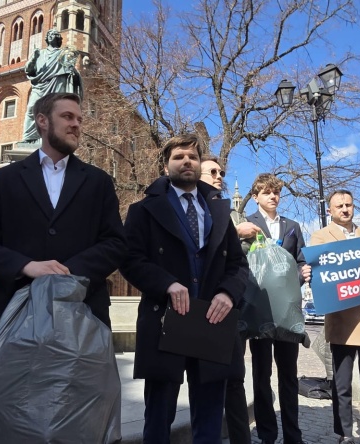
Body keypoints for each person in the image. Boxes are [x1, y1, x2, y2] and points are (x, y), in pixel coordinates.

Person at [121, 133, 247, 443]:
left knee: (209, 416)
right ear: (166, 166)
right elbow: (129, 258)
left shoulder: (219, 211)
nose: (186, 161)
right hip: (166, 320)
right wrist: (166, 284)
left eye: (192, 156)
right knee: (158, 415)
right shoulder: (143, 211)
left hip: (211, 321)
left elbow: (238, 266)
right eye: (178, 157)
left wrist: (228, 293)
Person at [0, 91, 126, 333]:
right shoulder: (3, 179)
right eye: (67, 116)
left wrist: (68, 272)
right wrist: (25, 266)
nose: (76, 125)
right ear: (42, 121)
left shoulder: (98, 181)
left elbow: (115, 243)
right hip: (15, 317)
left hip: (81, 318)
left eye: (79, 120)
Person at [301, 190, 360, 444]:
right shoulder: (320, 237)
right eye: (339, 206)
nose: (345, 209)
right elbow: (321, 278)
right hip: (342, 320)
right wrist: (309, 273)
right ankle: (344, 434)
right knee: (341, 385)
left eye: (348, 205)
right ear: (330, 210)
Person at [242, 173, 306, 444]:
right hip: (260, 310)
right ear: (255, 196)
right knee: (261, 375)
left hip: (288, 314)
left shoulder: (292, 226)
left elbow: (301, 261)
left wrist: (303, 273)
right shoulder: (246, 224)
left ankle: (293, 436)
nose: (273, 196)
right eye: (267, 192)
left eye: (276, 192)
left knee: (289, 376)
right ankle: (268, 434)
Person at [198, 155, 249, 444]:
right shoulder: (187, 209)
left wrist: (229, 293)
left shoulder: (225, 210)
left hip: (224, 310)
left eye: (221, 172)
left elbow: (239, 265)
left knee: (233, 383)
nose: (219, 176)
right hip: (192, 311)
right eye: (213, 172)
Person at [22, 29, 84, 142]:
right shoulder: (39, 53)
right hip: (40, 85)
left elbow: (70, 69)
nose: (53, 36)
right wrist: (34, 58)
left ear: (59, 39)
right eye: (50, 34)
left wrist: (72, 71)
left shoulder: (63, 53)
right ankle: (29, 138)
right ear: (47, 38)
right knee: (32, 108)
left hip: (57, 83)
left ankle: (51, 137)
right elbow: (28, 70)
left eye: (56, 35)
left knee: (55, 112)